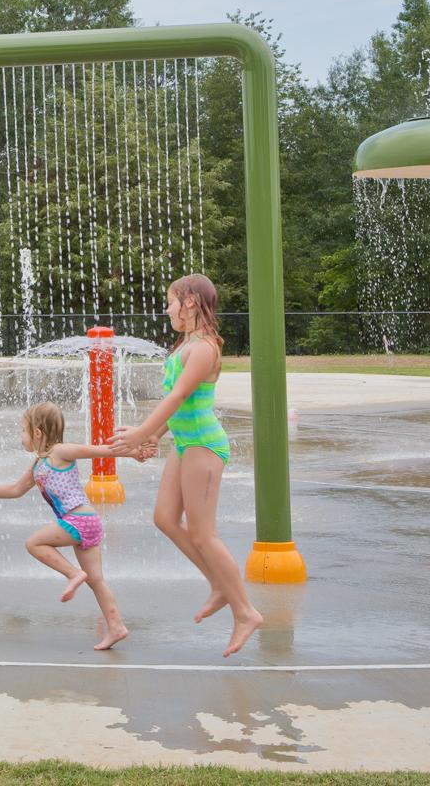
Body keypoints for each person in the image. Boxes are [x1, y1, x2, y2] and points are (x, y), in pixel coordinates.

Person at [112, 273, 264, 658]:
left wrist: (142, 431)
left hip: (204, 445)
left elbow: (180, 394)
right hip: (185, 443)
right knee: (164, 517)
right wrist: (153, 436)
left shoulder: (205, 349)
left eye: (171, 301)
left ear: (190, 302)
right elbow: (175, 402)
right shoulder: (186, 346)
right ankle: (217, 584)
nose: (167, 309)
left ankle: (245, 611)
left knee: (203, 534)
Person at [0, 402, 132, 650]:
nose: (20, 437)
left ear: (37, 433)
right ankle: (117, 626)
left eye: (23, 430)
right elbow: (15, 489)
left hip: (79, 519)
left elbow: (100, 451)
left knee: (34, 542)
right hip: (87, 523)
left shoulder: (60, 452)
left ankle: (73, 573)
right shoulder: (37, 465)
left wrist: (133, 452)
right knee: (96, 580)